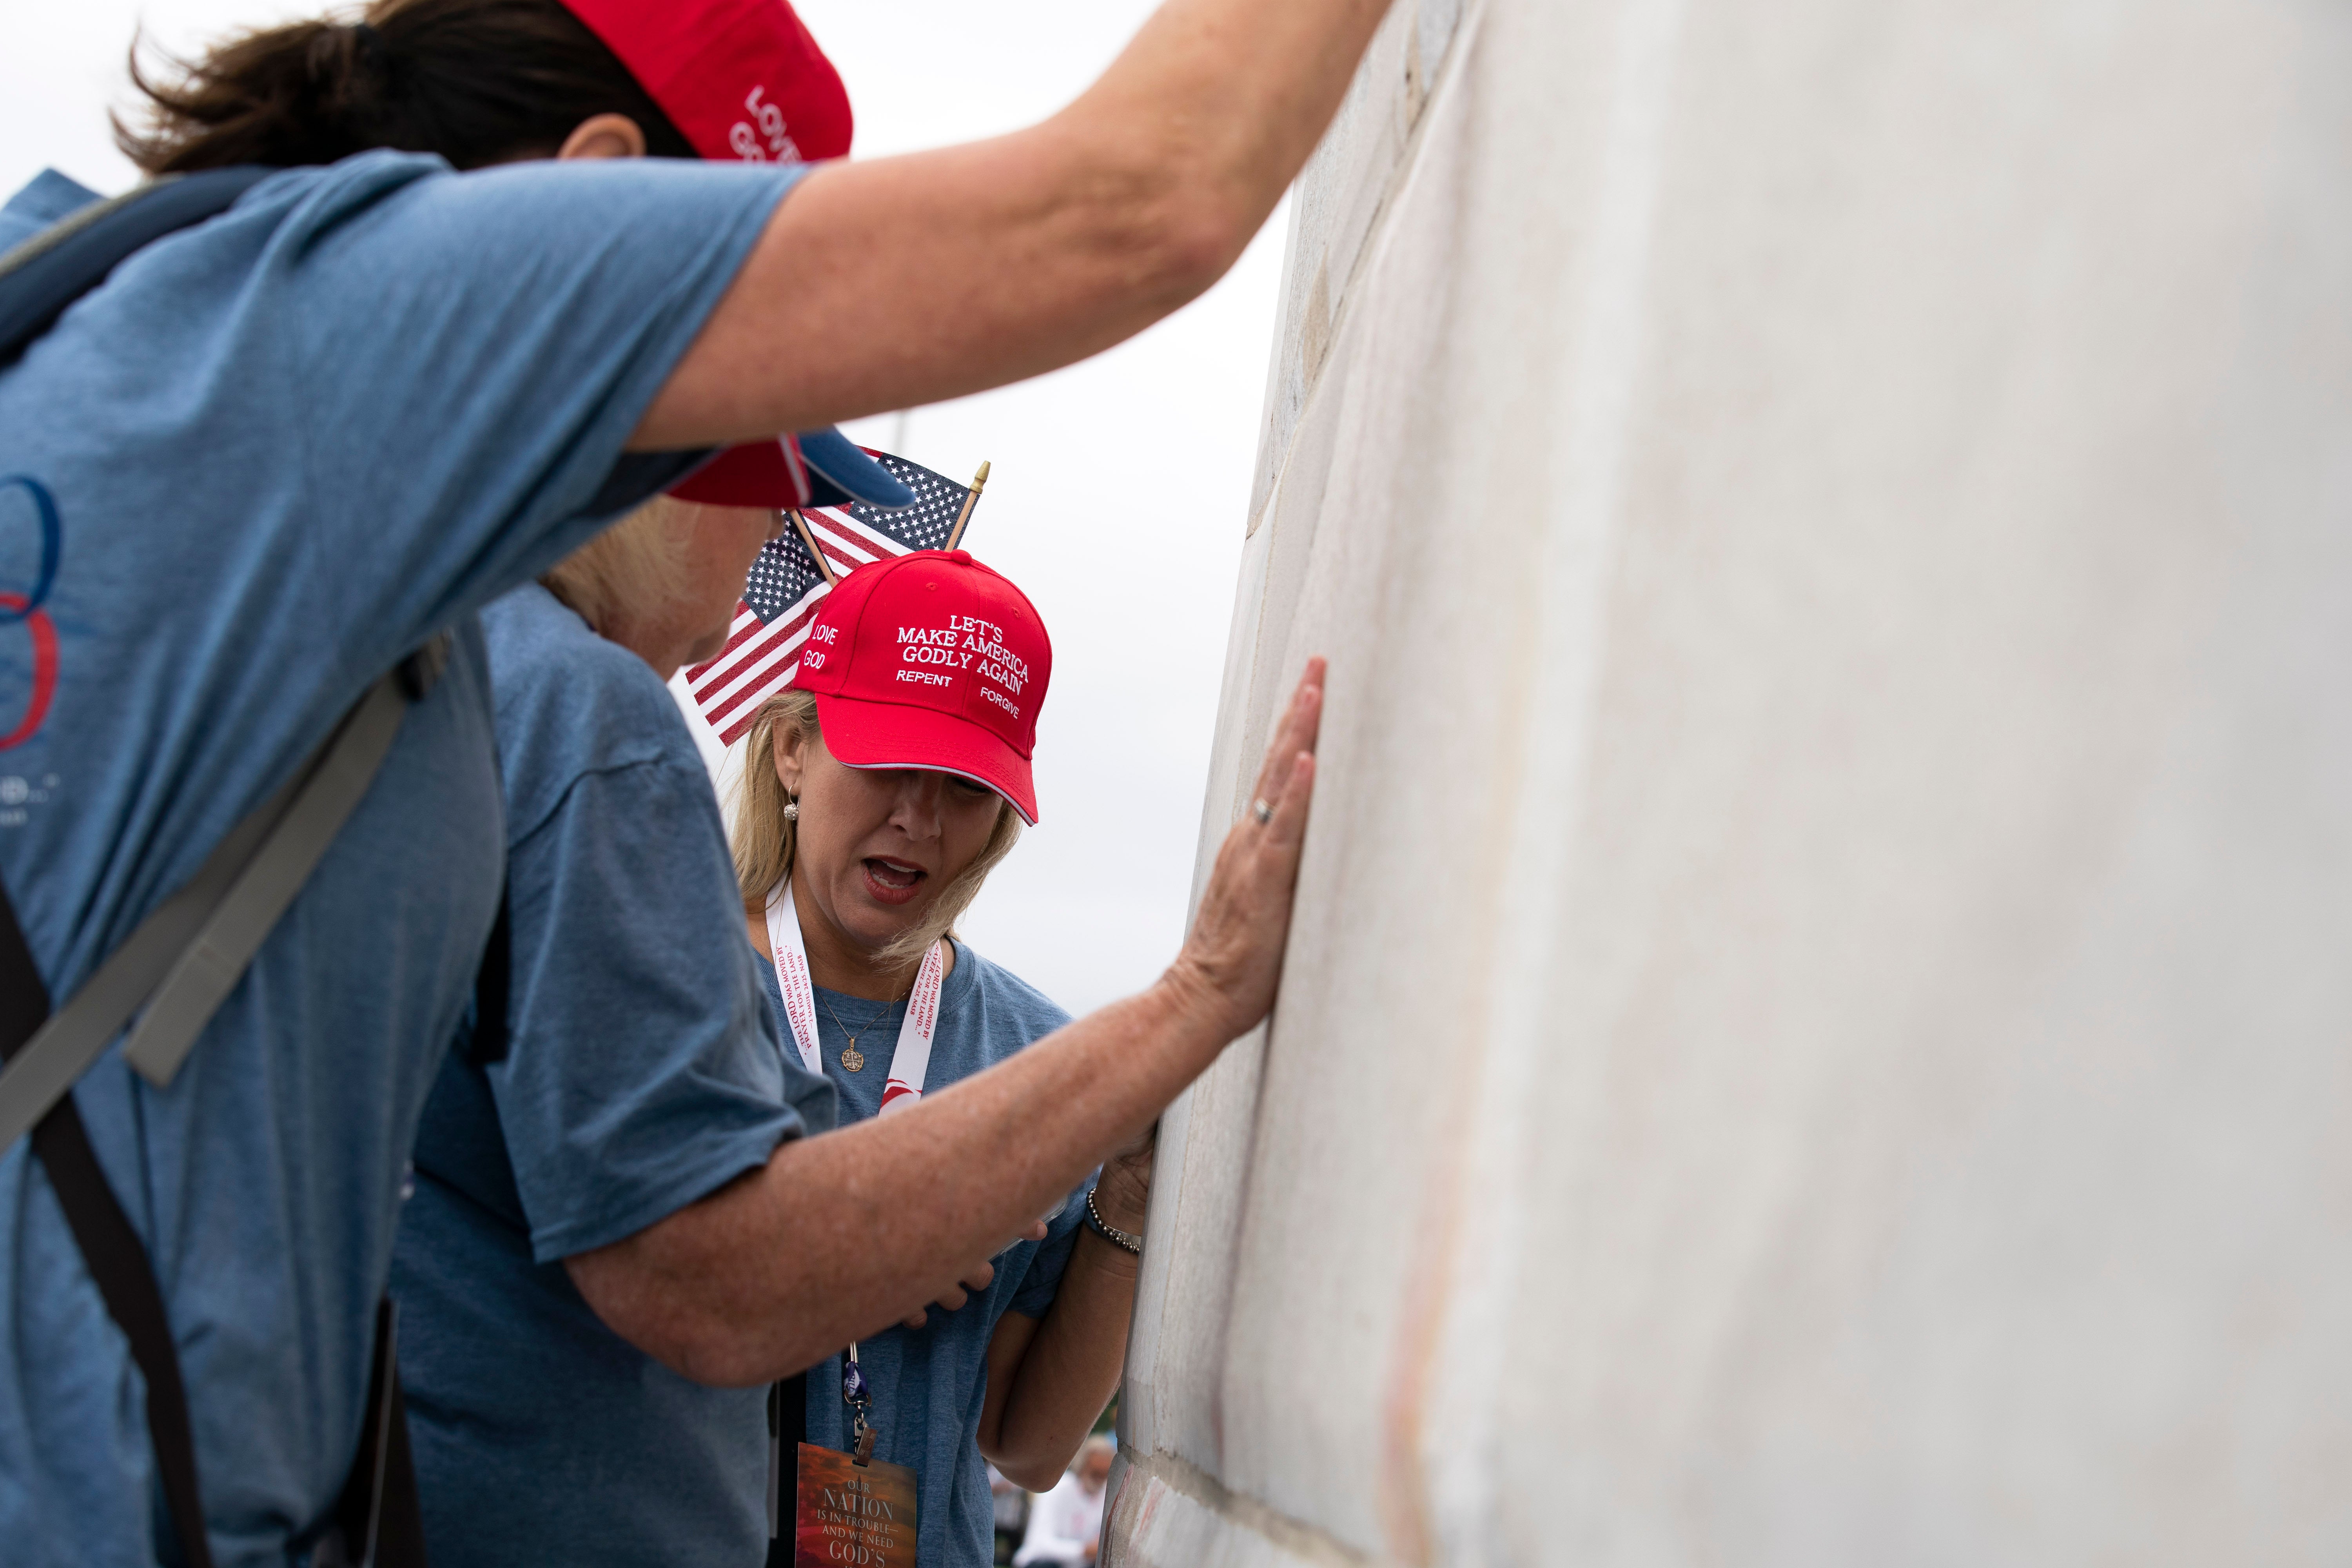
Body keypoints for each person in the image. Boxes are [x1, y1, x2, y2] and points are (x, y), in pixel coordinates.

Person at [0, 0, 1374, 1556]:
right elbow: (1141, 201)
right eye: (733, 432)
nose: (751, 588)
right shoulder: (519, 626)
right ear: (586, 201)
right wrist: (1195, 1000)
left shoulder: (89, 317)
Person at [724, 550, 1151, 1565]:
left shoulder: (1036, 1054)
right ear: (793, 750)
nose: (918, 817)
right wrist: (859, 1230)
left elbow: (1032, 1442)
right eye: (886, 761)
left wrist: (1128, 1193)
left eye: (963, 785)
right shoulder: (663, 975)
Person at [1013, 1437, 1116, 1567]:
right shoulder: (1057, 1489)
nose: (1101, 1480)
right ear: (1082, 1466)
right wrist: (1083, 1550)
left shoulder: (1107, 1495)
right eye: (1096, 1474)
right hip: (1043, 1562)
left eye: (1105, 1475)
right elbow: (1041, 1543)